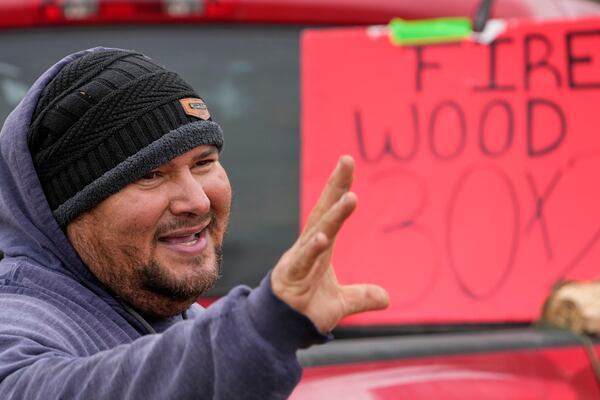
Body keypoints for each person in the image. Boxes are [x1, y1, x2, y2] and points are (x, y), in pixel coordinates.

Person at [0, 47, 388, 399]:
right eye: (150, 174)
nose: (197, 201)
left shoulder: (174, 314)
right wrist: (258, 329)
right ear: (66, 209)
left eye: (204, 163)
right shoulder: (16, 321)